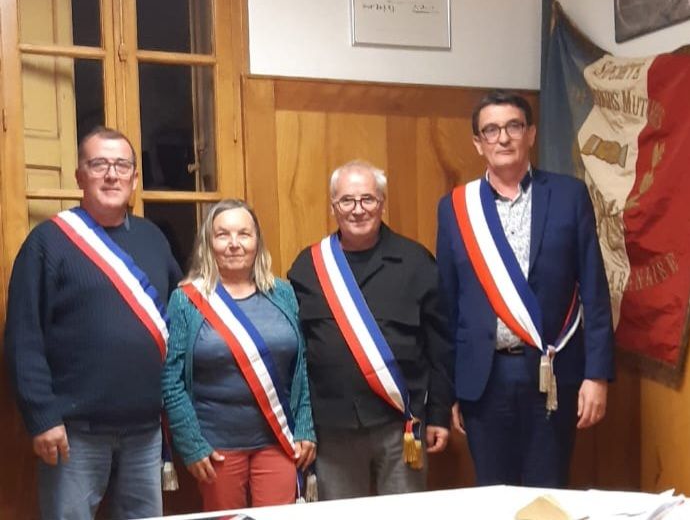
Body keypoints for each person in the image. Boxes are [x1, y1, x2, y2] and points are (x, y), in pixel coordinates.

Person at [436, 91, 614, 488]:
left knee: (547, 492)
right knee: (494, 494)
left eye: (513, 126)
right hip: (483, 378)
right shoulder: (456, 209)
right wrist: (449, 393)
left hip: (552, 373)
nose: (503, 138)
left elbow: (595, 293)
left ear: (531, 134)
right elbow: (448, 307)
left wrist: (597, 376)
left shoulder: (569, 196)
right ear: (477, 142)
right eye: (491, 130)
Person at [5, 126, 182, 520]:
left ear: (135, 178)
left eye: (122, 165)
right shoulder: (48, 242)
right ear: (79, 176)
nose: (112, 174)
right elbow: (23, 338)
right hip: (74, 434)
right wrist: (42, 417)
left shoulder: (154, 238)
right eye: (99, 164)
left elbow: (179, 314)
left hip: (145, 431)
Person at [287, 160, 453, 500]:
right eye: (347, 200)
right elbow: (297, 354)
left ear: (382, 203)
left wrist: (438, 414)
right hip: (333, 428)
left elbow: (440, 347)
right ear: (333, 206)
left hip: (401, 426)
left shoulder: (416, 262)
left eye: (367, 199)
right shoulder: (309, 267)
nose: (358, 209)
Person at [162, 199, 316, 511]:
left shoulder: (283, 293)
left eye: (244, 234)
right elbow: (170, 379)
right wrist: (190, 443)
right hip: (216, 447)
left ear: (257, 241)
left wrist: (304, 426)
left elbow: (300, 367)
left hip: (279, 440)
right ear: (208, 243)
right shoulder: (186, 300)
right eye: (223, 235)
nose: (234, 244)